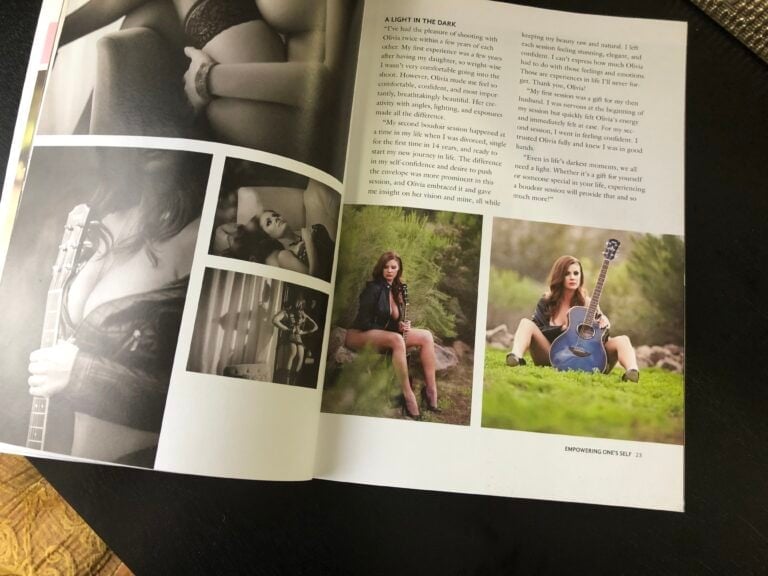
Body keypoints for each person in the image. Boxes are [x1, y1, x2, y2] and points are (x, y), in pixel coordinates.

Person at [26, 149, 207, 466]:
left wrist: (82, 374)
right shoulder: (100, 220)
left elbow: (204, 400)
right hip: (70, 464)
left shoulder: (200, 237)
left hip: (138, 473)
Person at [58, 0, 350, 165]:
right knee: (144, 18)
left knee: (149, 17)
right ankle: (51, 38)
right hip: (262, 84)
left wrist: (207, 79)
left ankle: (96, 165)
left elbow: (327, 86)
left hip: (295, 120)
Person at [505, 255, 640, 382]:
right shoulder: (547, 301)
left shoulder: (588, 303)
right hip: (552, 355)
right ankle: (515, 357)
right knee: (526, 323)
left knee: (623, 339)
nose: (572, 277)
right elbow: (538, 329)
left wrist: (603, 325)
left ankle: (632, 371)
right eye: (567, 273)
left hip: (588, 359)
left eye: (576, 273)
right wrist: (562, 329)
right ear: (559, 276)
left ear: (581, 276)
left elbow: (599, 339)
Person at [344, 251, 439, 419]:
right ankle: (408, 396)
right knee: (396, 339)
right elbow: (364, 321)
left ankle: (430, 391)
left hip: (384, 335)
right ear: (380, 269)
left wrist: (401, 325)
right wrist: (392, 331)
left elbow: (390, 322)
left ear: (398, 270)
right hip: (359, 334)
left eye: (393, 267)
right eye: (386, 267)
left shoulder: (397, 289)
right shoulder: (372, 289)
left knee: (426, 336)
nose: (389, 271)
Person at [215, 209, 335, 281]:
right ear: (268, 237)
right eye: (269, 223)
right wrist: (309, 242)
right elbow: (314, 281)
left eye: (275, 215)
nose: (276, 219)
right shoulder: (284, 256)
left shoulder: (307, 230)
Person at [272, 297, 319, 386]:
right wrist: (287, 329)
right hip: (290, 337)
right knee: (293, 353)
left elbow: (316, 327)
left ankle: (292, 383)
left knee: (300, 357)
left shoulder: (302, 313)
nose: (300, 307)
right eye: (298, 304)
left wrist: (303, 332)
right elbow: (274, 320)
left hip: (298, 338)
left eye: (301, 305)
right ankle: (286, 382)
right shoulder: (286, 312)